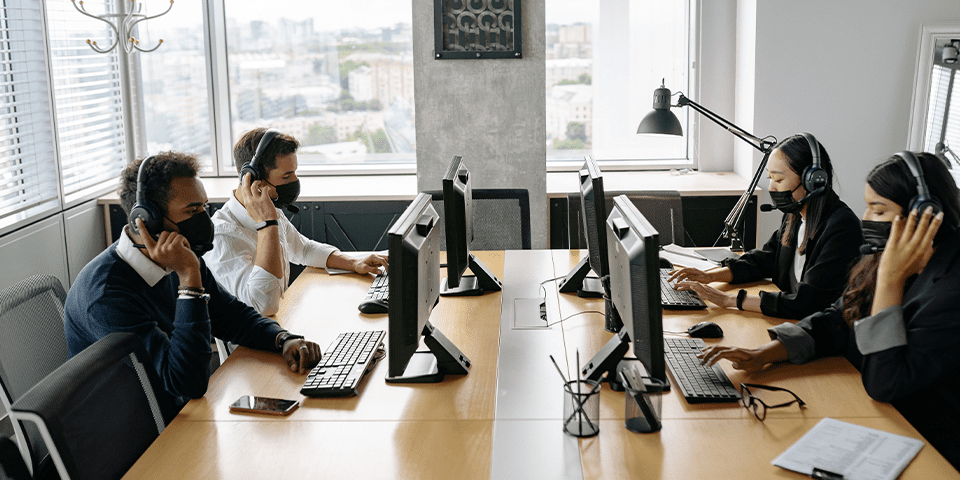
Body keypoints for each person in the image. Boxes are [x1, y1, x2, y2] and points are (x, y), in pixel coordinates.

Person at [699, 152, 960, 469]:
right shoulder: (889, 260)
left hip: (929, 449)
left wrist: (891, 281)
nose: (866, 218)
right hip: (877, 418)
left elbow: (884, 382)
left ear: (924, 215)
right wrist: (766, 353)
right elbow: (839, 316)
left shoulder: (949, 293)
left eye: (878, 210)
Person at [64, 152, 322, 412]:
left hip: (177, 410)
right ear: (146, 220)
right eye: (192, 210)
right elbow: (186, 383)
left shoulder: (180, 256)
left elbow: (230, 316)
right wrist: (189, 280)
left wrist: (283, 339)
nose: (203, 218)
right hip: (133, 430)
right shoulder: (107, 296)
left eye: (203, 207)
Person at [671, 134, 863, 319]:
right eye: (770, 178)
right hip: (790, 323)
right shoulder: (795, 215)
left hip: (819, 337)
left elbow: (807, 302)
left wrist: (728, 299)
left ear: (812, 181)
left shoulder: (842, 229)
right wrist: (708, 276)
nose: (771, 188)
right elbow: (765, 260)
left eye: (778, 179)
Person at [203, 127, 387, 315]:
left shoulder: (270, 209)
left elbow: (303, 249)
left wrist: (354, 263)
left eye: (294, 173)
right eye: (286, 176)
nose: (295, 181)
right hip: (252, 341)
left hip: (279, 325)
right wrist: (267, 225)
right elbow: (264, 305)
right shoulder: (221, 237)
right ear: (252, 177)